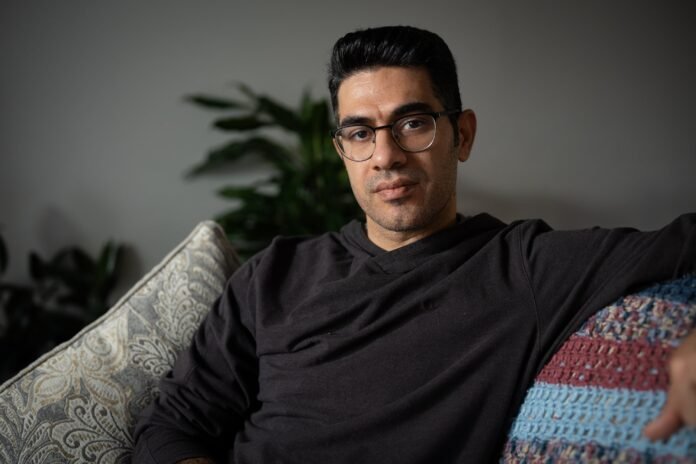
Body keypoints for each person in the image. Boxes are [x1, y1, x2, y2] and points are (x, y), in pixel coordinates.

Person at [133, 26, 696, 463]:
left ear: (463, 134)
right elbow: (169, 428)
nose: (385, 155)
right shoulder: (274, 274)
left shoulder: (526, 267)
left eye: (413, 123)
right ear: (342, 151)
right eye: (360, 133)